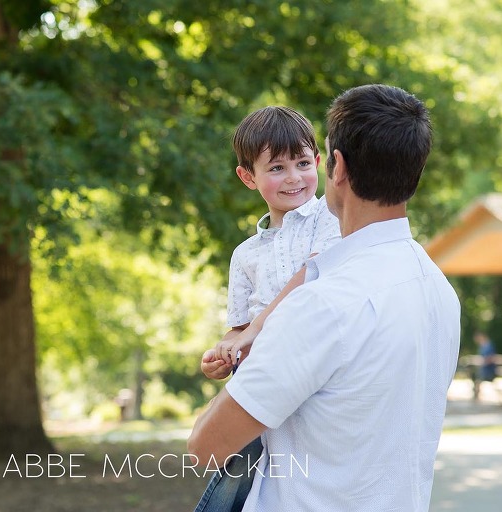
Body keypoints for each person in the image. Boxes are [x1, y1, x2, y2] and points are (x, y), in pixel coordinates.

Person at [188, 84, 461, 511]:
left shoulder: (322, 304)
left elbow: (206, 447)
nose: (295, 177)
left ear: (334, 166)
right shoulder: (436, 287)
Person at [194, 106, 341, 512]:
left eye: (302, 163)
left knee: (302, 467)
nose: (293, 177)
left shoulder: (330, 216)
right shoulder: (245, 254)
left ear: (319, 162)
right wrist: (223, 352)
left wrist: (256, 329)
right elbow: (236, 328)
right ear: (248, 177)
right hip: (260, 372)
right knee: (236, 470)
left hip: (309, 364)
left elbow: (314, 270)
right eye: (276, 167)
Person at [473, 331, 497, 399]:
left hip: (488, 369)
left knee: (478, 377)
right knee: (475, 375)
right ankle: (476, 395)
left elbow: (492, 358)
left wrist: (483, 361)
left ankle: (476, 395)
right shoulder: (482, 346)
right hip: (484, 368)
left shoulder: (489, 345)